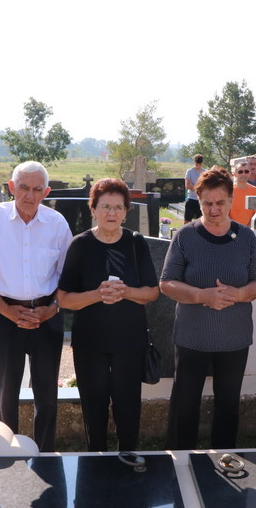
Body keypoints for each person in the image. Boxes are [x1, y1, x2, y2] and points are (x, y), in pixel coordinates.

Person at [0, 161, 73, 450]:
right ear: (11, 188)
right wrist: (5, 309)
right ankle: (6, 451)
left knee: (47, 394)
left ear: (46, 192)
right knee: (6, 394)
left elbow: (69, 276)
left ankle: (45, 453)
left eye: (37, 189)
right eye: (23, 187)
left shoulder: (57, 224)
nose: (29, 195)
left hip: (46, 315)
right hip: (4, 314)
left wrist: (52, 309)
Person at [160, 166, 256, 449]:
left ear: (232, 200)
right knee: (185, 403)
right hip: (192, 336)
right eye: (206, 203)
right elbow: (167, 283)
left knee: (228, 404)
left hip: (234, 337)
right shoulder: (185, 236)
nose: (213, 209)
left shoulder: (246, 237)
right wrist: (202, 296)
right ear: (198, 202)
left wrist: (239, 293)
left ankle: (224, 457)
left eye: (220, 202)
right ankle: (181, 459)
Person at [57, 178, 159, 451]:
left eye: (118, 207)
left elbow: (152, 292)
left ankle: (128, 456)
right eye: (105, 207)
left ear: (126, 211)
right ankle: (96, 462)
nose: (111, 214)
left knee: (128, 408)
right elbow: (64, 298)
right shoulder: (80, 245)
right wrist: (97, 294)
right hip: (91, 344)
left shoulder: (136, 243)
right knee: (94, 409)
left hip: (129, 343)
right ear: (93, 210)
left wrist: (125, 292)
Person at [229, 161, 256, 226]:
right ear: (235, 174)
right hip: (232, 228)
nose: (243, 174)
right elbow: (225, 212)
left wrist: (248, 227)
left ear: (249, 173)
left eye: (246, 171)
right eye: (240, 172)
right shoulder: (229, 191)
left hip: (250, 229)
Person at [184, 154, 206, 223]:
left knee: (201, 222)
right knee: (187, 220)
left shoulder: (205, 172)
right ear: (194, 162)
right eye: (196, 164)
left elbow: (206, 187)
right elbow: (187, 186)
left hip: (201, 200)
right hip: (191, 198)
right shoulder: (189, 171)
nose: (198, 166)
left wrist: (193, 186)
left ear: (202, 163)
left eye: (199, 164)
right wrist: (199, 187)